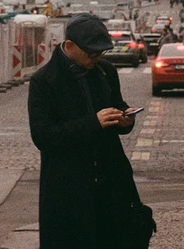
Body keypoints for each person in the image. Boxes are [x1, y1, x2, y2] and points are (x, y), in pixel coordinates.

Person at [28, 13, 141, 248]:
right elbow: (43, 136)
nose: (97, 58)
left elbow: (117, 105)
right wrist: (93, 123)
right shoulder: (44, 80)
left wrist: (125, 119)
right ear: (70, 46)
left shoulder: (105, 71)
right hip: (68, 188)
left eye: (101, 53)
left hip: (109, 181)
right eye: (91, 54)